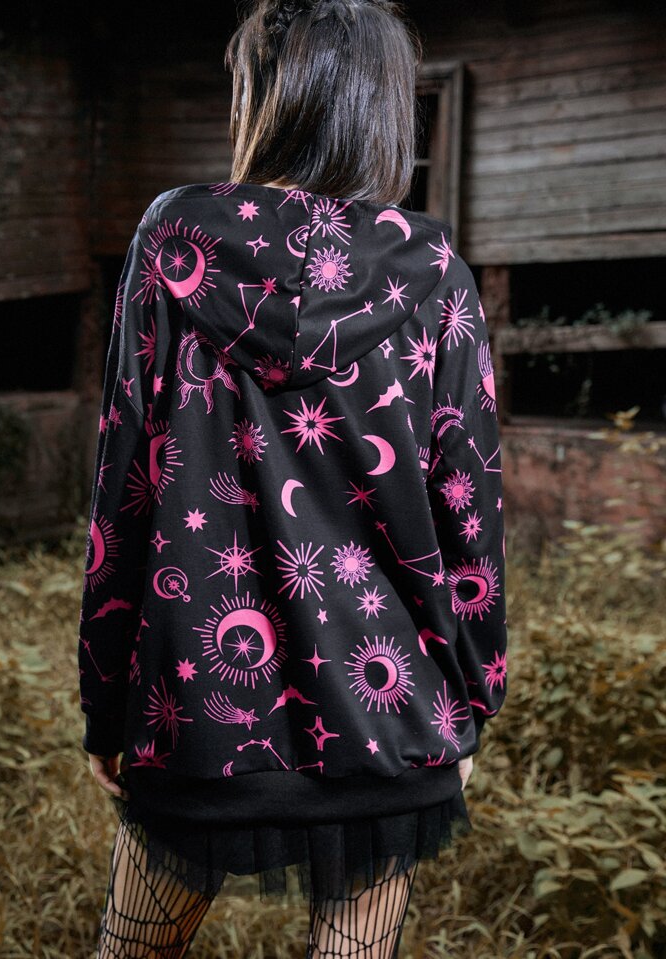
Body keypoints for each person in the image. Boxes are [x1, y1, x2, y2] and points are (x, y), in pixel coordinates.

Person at [77, 0, 509, 955]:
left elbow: (123, 486)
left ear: (266, 96)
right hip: (393, 712)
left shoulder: (174, 238)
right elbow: (469, 502)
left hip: (196, 711)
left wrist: (105, 698)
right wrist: (472, 698)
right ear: (382, 107)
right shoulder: (435, 267)